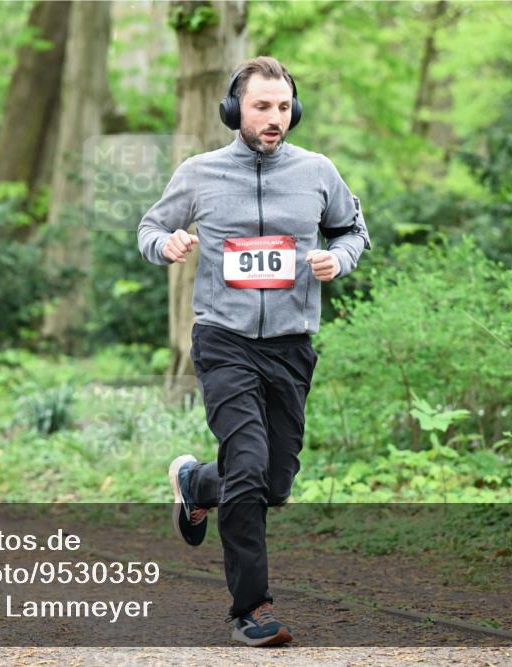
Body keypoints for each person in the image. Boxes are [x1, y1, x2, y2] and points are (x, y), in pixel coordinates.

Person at [137, 56, 370, 647]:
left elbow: (353, 231)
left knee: (275, 481)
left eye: (284, 107)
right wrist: (168, 244)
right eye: (262, 106)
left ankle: (196, 485)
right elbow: (149, 229)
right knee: (245, 467)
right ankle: (251, 608)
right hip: (225, 340)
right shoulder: (199, 172)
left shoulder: (317, 171)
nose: (274, 117)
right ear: (233, 109)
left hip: (291, 345)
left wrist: (337, 259)